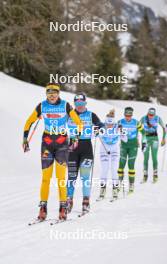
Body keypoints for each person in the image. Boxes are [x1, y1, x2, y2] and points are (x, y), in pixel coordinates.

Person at [23, 83, 83, 221]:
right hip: (47, 144)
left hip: (62, 144)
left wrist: (75, 136)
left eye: (54, 93)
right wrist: (25, 139)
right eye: (49, 93)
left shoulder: (66, 106)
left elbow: (78, 123)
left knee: (61, 178)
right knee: (45, 178)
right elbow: (29, 122)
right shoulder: (42, 106)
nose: (52, 95)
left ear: (58, 93)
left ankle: (63, 207)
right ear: (46, 94)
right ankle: (43, 207)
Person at [67, 93, 104, 214]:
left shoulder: (90, 115)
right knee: (71, 176)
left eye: (81, 103)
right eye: (77, 104)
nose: (79, 106)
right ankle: (68, 201)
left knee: (85, 176)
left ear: (85, 103)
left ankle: (86, 202)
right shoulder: (69, 115)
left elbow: (101, 125)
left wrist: (99, 129)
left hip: (86, 147)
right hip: (72, 148)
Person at [118, 107, 147, 194]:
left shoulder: (136, 122)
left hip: (133, 146)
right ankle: (120, 184)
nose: (128, 117)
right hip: (123, 145)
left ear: (132, 115)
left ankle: (131, 185)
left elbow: (144, 133)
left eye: (129, 115)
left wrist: (144, 143)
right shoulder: (120, 122)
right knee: (121, 165)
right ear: (124, 115)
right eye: (126, 115)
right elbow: (114, 131)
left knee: (131, 166)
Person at [97, 109, 120, 200]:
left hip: (114, 151)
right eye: (107, 124)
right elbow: (93, 136)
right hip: (104, 150)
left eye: (111, 124)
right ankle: (102, 192)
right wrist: (96, 132)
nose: (109, 126)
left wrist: (121, 132)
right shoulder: (102, 127)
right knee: (104, 170)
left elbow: (125, 139)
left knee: (114, 170)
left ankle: (115, 191)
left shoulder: (118, 127)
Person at [140, 107, 166, 183]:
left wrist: (163, 139)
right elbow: (137, 126)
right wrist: (138, 137)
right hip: (145, 139)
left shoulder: (158, 118)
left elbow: (164, 128)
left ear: (155, 114)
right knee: (146, 157)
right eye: (149, 114)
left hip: (155, 138)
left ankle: (155, 175)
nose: (150, 116)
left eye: (152, 115)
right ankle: (145, 175)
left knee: (154, 157)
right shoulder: (143, 118)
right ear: (147, 113)